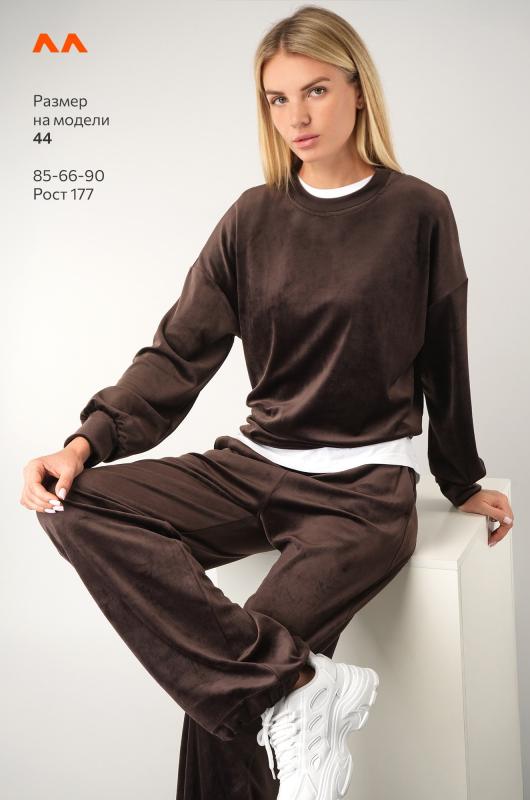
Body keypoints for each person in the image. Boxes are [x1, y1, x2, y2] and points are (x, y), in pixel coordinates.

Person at [21, 5, 514, 800]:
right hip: (251, 468)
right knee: (70, 505)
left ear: (358, 89)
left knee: (219, 696)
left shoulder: (418, 212)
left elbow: (443, 358)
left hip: (361, 496)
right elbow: (177, 355)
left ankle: (281, 686)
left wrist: (460, 480)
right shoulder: (252, 218)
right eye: (277, 99)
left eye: (315, 90)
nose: (296, 117)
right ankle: (302, 685)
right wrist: (85, 444)